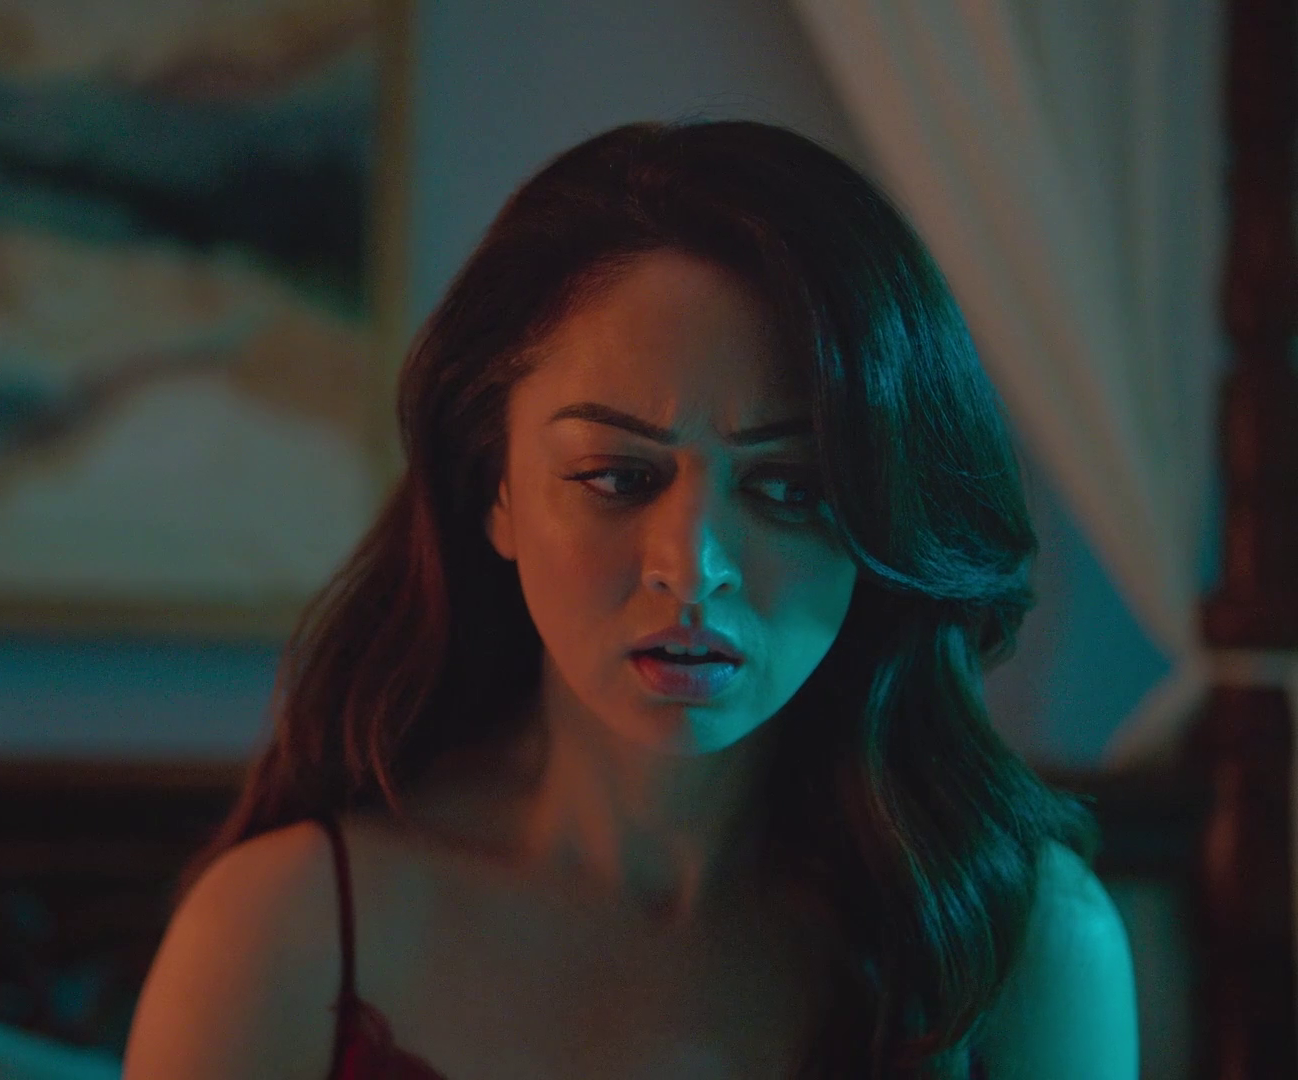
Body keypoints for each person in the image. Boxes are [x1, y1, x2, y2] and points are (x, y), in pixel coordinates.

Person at [120, 120, 1139, 1079]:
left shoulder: (1025, 945)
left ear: (879, 520)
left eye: (790, 488)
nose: (690, 569)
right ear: (495, 490)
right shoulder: (285, 933)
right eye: (616, 477)